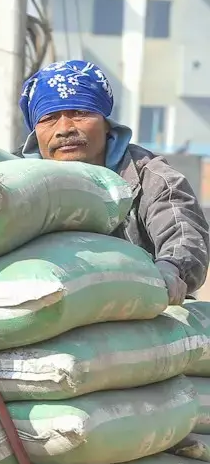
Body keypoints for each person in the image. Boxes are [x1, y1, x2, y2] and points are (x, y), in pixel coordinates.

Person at [22, 59, 210, 305]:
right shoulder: (18, 184)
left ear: (107, 124)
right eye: (50, 117)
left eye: (80, 113)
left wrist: (170, 268)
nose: (65, 128)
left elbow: (181, 231)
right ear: (35, 130)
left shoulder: (149, 177)